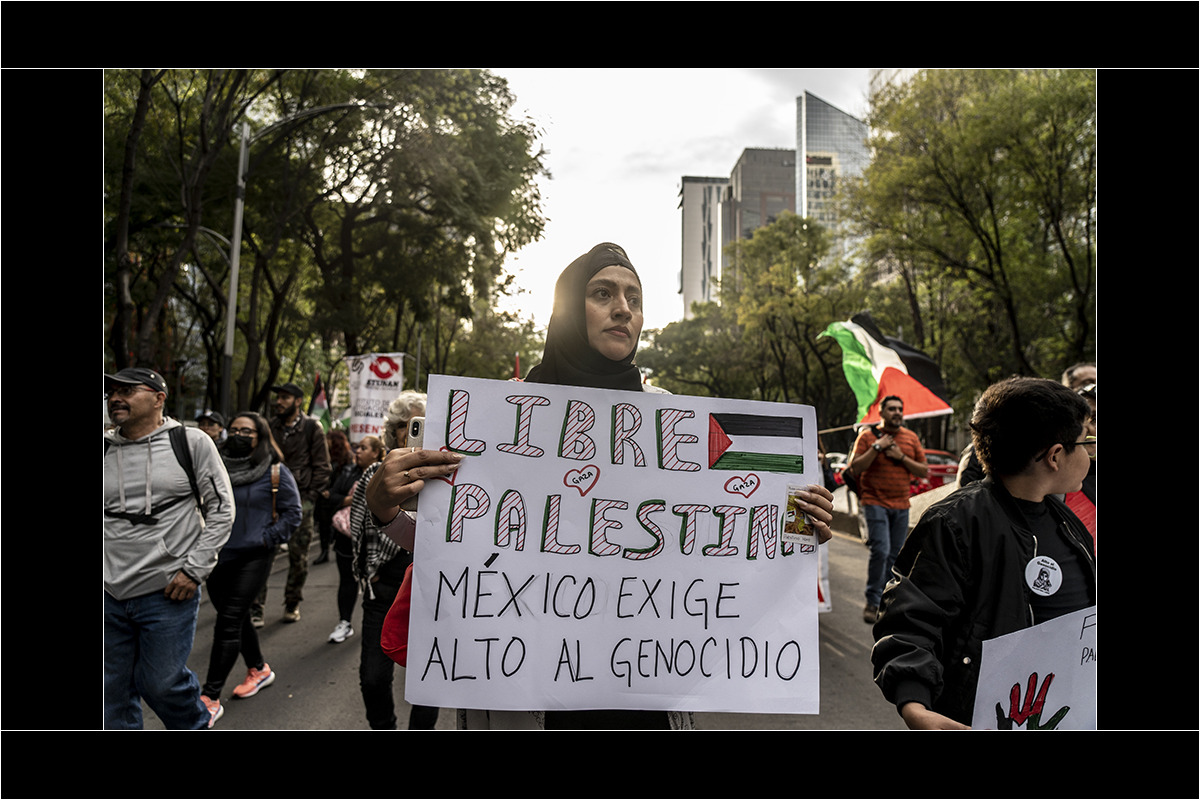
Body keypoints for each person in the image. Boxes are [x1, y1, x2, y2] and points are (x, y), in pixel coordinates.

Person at [362, 242, 835, 730]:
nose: (623, 308)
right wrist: (386, 511)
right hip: (528, 685)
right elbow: (464, 544)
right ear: (567, 309)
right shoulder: (506, 417)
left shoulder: (672, 419)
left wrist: (801, 525)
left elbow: (720, 541)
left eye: (634, 297)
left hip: (643, 685)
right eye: (602, 292)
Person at [871, 377, 1096, 729]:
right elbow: (910, 621)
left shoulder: (1067, 523)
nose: (1089, 452)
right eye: (1085, 442)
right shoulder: (955, 523)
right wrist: (916, 707)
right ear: (1054, 456)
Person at [104, 368, 234, 729]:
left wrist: (194, 570)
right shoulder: (105, 446)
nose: (116, 397)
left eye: (128, 391)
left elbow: (222, 510)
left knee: (161, 685)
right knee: (110, 695)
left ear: (159, 398)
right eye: (112, 391)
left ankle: (195, 723)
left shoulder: (190, 442)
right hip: (109, 594)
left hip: (167, 590)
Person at [350, 392, 449, 729]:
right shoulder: (374, 478)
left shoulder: (449, 478)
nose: (419, 434)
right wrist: (368, 575)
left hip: (432, 591)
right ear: (395, 434)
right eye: (412, 427)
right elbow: (361, 533)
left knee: (429, 679)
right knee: (374, 677)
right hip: (383, 588)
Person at [199, 412, 302, 725]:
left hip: (254, 556)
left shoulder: (275, 471)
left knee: (229, 620)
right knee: (235, 615)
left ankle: (210, 697)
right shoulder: (215, 467)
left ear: (260, 436)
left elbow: (292, 513)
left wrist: (265, 539)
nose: (238, 434)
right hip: (217, 554)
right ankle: (258, 669)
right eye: (234, 429)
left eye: (247, 430)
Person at [252, 382, 331, 625]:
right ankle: (256, 608)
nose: (279, 402)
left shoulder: (311, 428)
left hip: (300, 502)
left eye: (285, 398)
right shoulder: (269, 427)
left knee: (298, 559)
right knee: (262, 555)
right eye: (278, 398)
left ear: (298, 401)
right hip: (269, 502)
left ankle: (292, 602)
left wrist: (308, 498)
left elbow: (323, 467)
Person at [847, 395, 928, 624]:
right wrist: (876, 447)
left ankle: (886, 599)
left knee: (894, 556)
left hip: (901, 505)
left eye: (900, 409)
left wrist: (900, 457)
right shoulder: (867, 437)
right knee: (880, 551)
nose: (897, 413)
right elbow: (854, 468)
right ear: (881, 413)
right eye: (891, 409)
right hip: (875, 503)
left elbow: (923, 471)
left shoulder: (910, 438)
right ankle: (872, 602)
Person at [326, 434, 382, 644]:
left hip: (373, 538)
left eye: (364, 448)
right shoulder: (347, 472)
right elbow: (332, 497)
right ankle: (344, 622)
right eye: (357, 447)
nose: (358, 451)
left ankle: (375, 626)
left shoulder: (383, 472)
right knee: (347, 581)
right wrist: (354, 498)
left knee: (374, 583)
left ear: (376, 453)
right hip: (346, 539)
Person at [315, 429, 354, 565]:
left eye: (329, 440)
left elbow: (344, 480)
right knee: (323, 524)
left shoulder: (346, 459)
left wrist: (332, 492)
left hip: (336, 496)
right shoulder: (324, 455)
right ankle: (324, 550)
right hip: (325, 498)